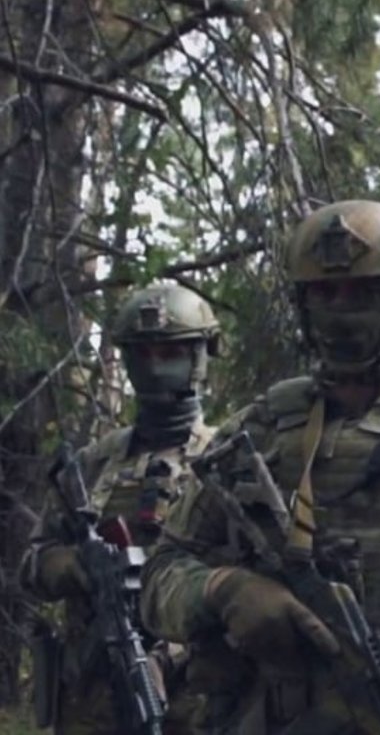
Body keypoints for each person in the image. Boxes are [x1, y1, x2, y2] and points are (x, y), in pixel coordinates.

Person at [139, 200, 380, 733]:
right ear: (303, 306)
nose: (342, 310)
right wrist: (223, 590)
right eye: (326, 294)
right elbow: (160, 577)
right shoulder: (258, 431)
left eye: (363, 292)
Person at [22, 283, 221, 734]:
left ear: (199, 357)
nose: (155, 367)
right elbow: (32, 565)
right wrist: (74, 566)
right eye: (143, 354)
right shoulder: (95, 462)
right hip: (89, 703)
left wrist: (167, 654)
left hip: (195, 705)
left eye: (170, 353)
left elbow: (240, 586)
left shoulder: (223, 461)